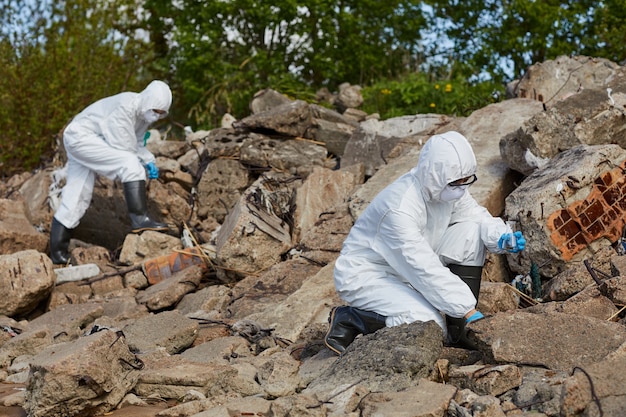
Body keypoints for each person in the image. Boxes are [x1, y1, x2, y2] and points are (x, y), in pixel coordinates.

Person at [324, 131, 526, 355]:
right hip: (368, 275)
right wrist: (468, 309)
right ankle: (351, 319)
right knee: (427, 325)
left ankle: (459, 332)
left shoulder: (445, 188)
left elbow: (475, 216)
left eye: (465, 181)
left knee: (471, 232)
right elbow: (422, 266)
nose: (461, 188)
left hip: (407, 266)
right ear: (435, 175)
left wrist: (500, 236)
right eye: (456, 182)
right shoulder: (399, 208)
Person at [49, 80, 172, 265]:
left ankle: (57, 253)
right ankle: (140, 219)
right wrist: (141, 163)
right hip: (81, 138)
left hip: (86, 140)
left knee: (77, 195)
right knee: (129, 164)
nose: (156, 116)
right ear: (147, 101)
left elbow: (137, 143)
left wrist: (149, 160)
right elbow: (123, 146)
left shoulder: (141, 116)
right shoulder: (125, 107)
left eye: (161, 114)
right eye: (155, 111)